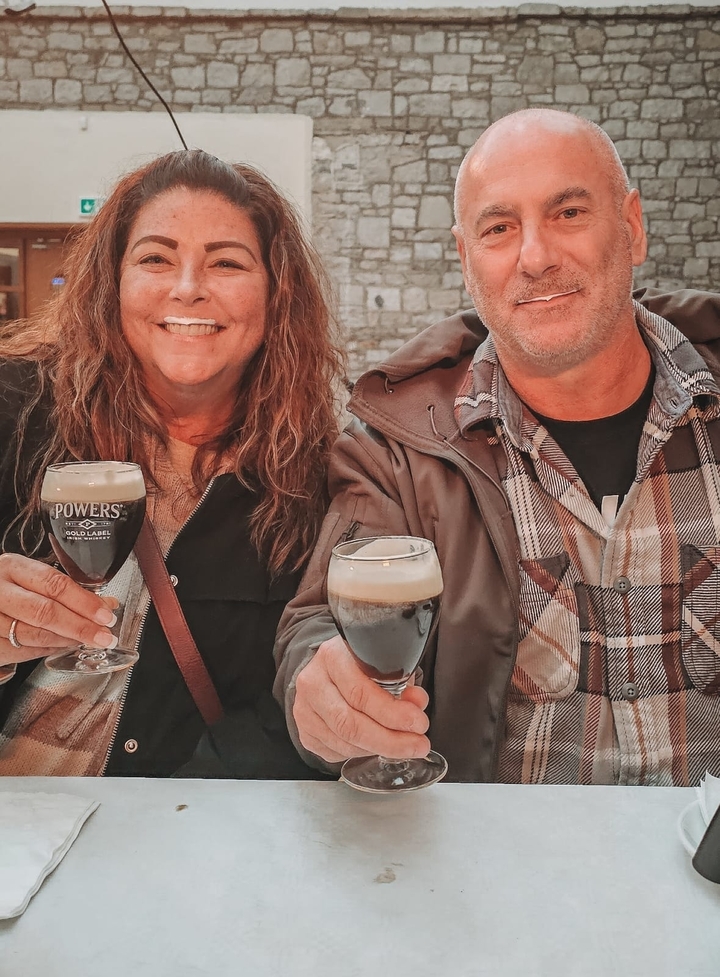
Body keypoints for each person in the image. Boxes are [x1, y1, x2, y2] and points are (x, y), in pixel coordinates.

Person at [275, 108, 720, 787]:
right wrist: (324, 686)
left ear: (631, 226)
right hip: (506, 873)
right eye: (499, 228)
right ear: (465, 257)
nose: (535, 256)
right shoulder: (398, 451)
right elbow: (319, 624)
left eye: (568, 213)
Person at [0, 149, 343, 778]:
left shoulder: (311, 478)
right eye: (155, 258)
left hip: (177, 841)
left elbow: (284, 714)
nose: (188, 287)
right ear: (113, 282)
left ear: (276, 296)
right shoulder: (14, 412)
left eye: (226, 263)